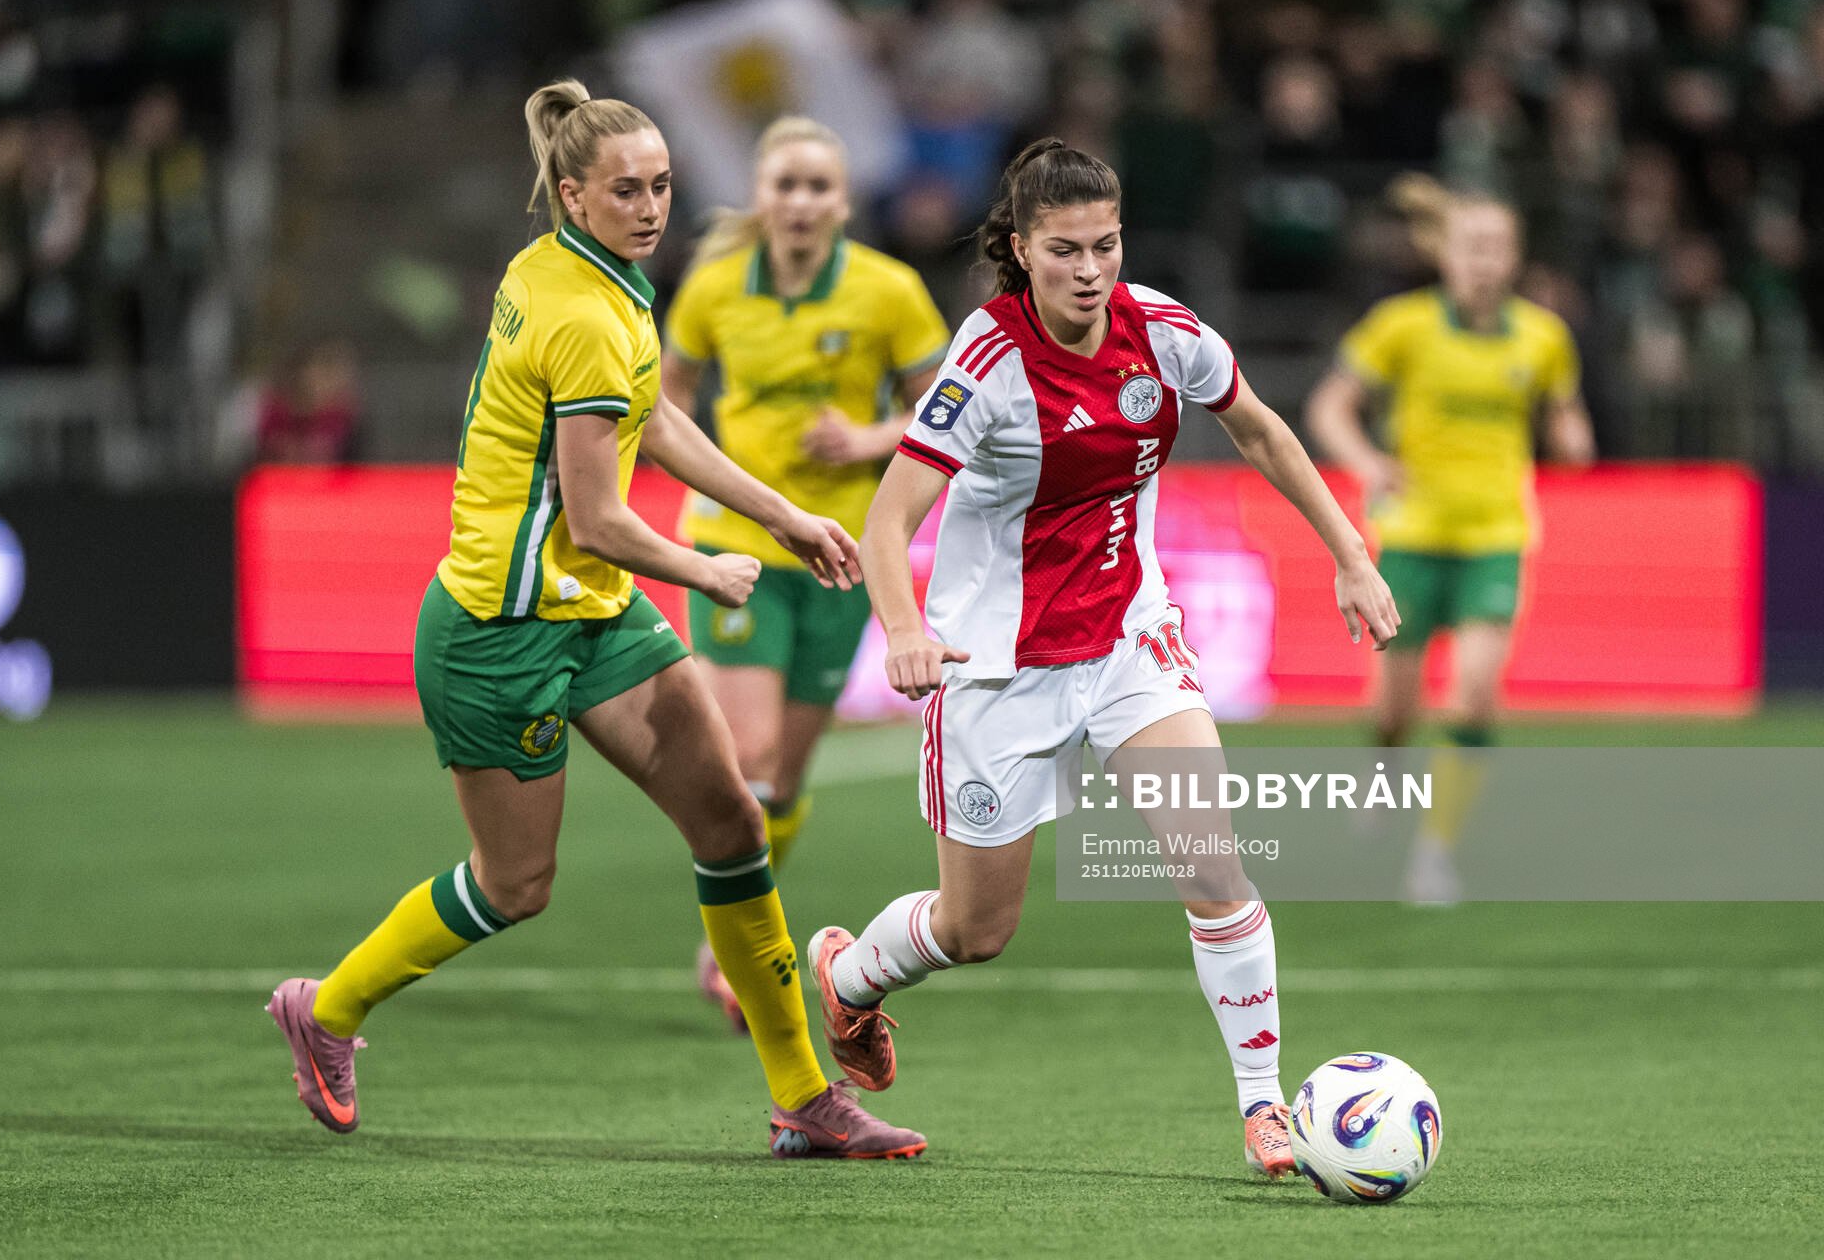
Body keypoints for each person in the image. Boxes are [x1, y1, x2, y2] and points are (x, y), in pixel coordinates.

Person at [265, 79, 925, 1160]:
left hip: (591, 615)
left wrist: (783, 511)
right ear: (574, 192)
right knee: (515, 884)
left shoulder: (597, 275)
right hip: (498, 630)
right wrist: (706, 569)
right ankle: (326, 1009)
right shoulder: (576, 310)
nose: (654, 206)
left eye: (664, 185)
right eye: (629, 190)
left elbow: (655, 415)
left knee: (733, 824)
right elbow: (597, 514)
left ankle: (804, 1095)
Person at [804, 138, 1399, 1178]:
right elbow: (891, 517)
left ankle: (1265, 1107)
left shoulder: (1162, 330)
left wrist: (1349, 553)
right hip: (997, 666)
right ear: (1023, 250)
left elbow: (1260, 430)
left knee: (1212, 861)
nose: (1091, 269)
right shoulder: (985, 364)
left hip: (1130, 639)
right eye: (1067, 249)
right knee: (977, 925)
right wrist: (902, 628)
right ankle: (853, 975)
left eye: (1107, 245)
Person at [661, 116, 950, 1030]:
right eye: (784, 184)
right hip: (733, 539)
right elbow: (664, 402)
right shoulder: (710, 291)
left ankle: (728, 939)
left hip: (841, 548)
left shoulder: (888, 291)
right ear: (761, 195)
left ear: (843, 201)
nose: (799, 202)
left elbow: (949, 411)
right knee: (745, 757)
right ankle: (741, 949)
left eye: (818, 186)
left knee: (782, 775)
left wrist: (864, 439)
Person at [1306, 175, 1594, 903]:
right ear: (1447, 254)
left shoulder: (1545, 336)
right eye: (1472, 246)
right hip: (1410, 536)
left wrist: (1572, 437)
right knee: (1394, 712)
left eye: (1497, 247)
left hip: (1497, 534)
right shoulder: (1402, 325)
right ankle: (1384, 773)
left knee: (1471, 701)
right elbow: (1330, 407)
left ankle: (1435, 853)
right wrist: (1368, 460)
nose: (1484, 260)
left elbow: (1564, 422)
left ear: (1516, 256)